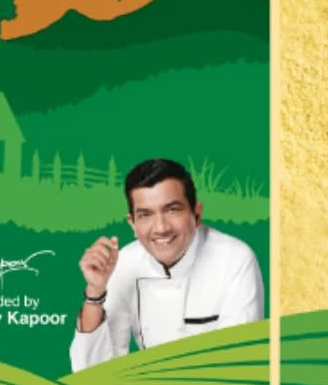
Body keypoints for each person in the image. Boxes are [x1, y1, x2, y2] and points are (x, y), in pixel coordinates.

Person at [68, 157, 265, 371]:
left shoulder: (234, 259)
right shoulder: (124, 262)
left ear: (197, 214)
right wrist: (95, 291)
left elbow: (238, 361)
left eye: (172, 210)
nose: (161, 228)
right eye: (145, 215)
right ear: (132, 224)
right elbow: (91, 371)